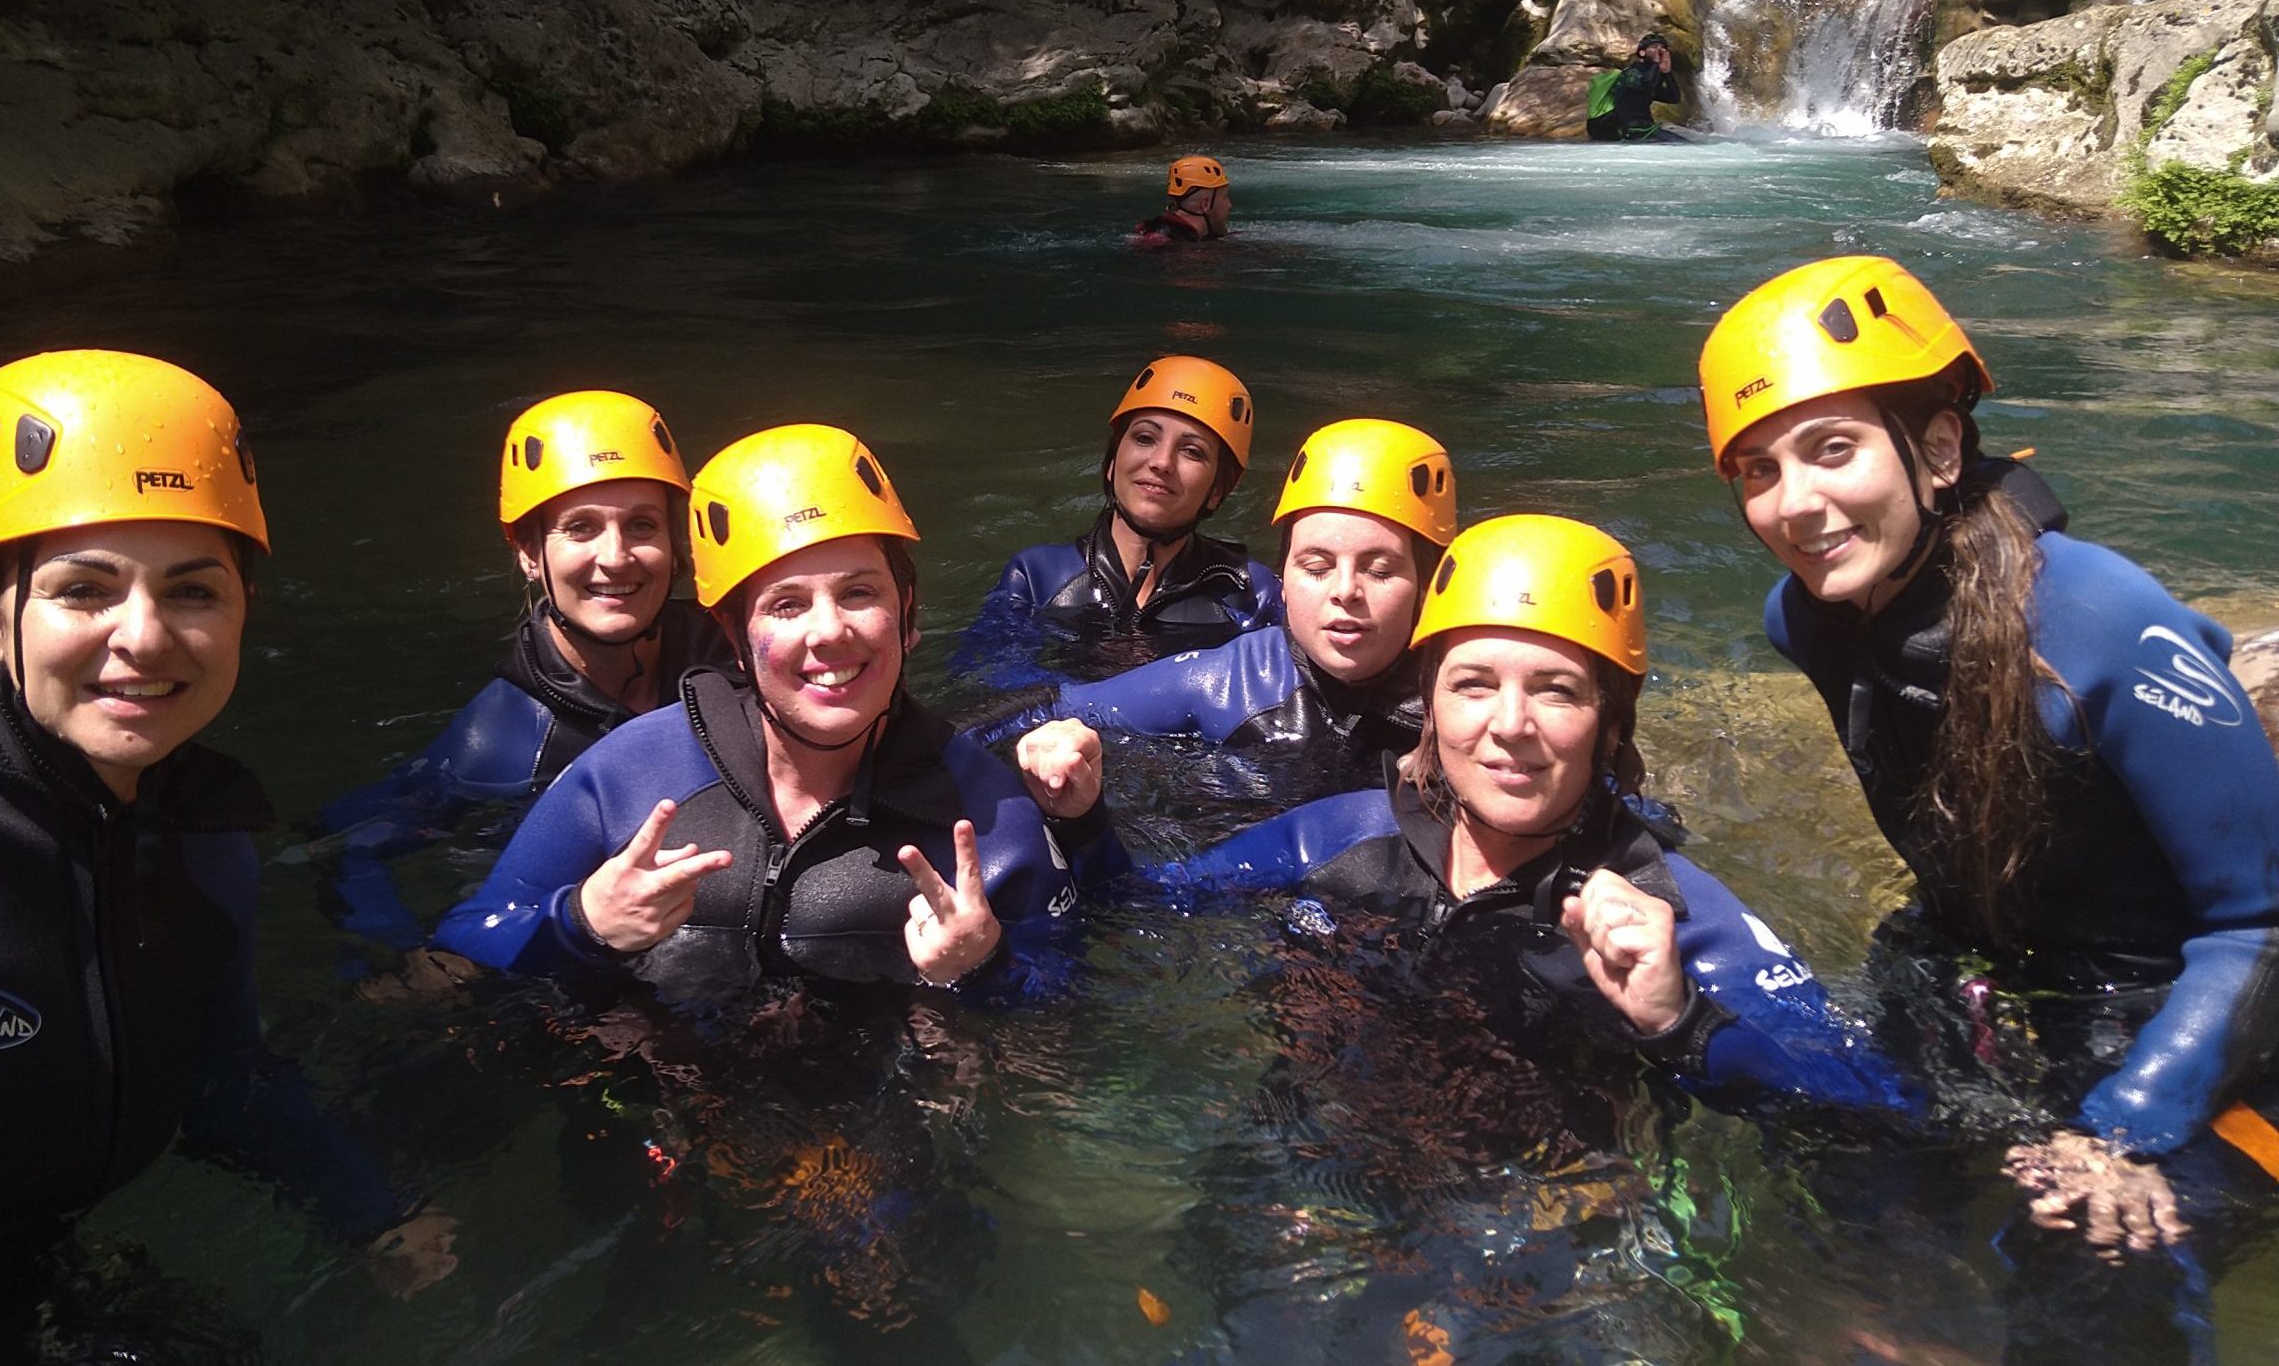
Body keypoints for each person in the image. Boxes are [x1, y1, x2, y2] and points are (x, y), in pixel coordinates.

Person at [0, 351, 450, 1343]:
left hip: (8, 1275)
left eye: (193, 591)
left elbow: (219, 1078)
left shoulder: (202, 847)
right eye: (83, 590)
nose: (143, 636)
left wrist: (369, 1211)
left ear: (244, 609)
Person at [1697, 255, 2279, 1251]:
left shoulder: (2098, 624)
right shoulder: (1806, 620)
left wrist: (2126, 1128)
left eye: (1832, 449)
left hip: (2180, 998)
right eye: (1759, 469)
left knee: (2081, 1256)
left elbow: (2259, 924)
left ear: (1937, 449)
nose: (1793, 502)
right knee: (1841, 1179)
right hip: (1975, 955)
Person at [1160, 513, 1915, 1111]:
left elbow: (1883, 1112)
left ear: (1610, 724)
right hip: (1308, 1167)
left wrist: (1678, 1021)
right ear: (1431, 709)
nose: (1510, 724)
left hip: (1536, 1223)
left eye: (1555, 690)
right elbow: (1143, 902)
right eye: (1474, 685)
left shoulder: (1678, 921)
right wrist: (1093, 816)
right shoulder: (1341, 833)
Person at [431, 424, 1125, 998]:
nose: (829, 632)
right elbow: (466, 940)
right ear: (735, 638)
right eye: (786, 606)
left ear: (908, 615)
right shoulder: (627, 772)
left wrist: (985, 968)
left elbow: (1075, 1010)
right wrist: (581, 922)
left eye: (859, 593)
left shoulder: (990, 818)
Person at [317, 390, 736, 948]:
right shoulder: (503, 744)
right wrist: (403, 954)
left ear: (673, 542)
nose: (616, 557)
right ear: (528, 551)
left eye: (642, 526)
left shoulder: (733, 651)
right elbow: (346, 848)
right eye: (580, 528)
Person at [974, 418, 1458, 807]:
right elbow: (1049, 705)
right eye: (1316, 567)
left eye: (1379, 570)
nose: (1345, 591)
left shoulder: (1476, 700)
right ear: (1285, 581)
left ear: (1431, 585)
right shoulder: (1234, 679)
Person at [955, 355, 1284, 688]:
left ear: (1217, 491)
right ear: (1112, 462)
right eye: (1145, 438)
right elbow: (983, 682)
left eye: (1192, 451)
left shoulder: (1251, 593)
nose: (1161, 462)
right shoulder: (1036, 576)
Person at [1585, 31, 1683, 142]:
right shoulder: (1632, 72)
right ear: (1642, 53)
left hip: (1644, 127)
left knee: (1682, 144)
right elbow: (1646, 84)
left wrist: (1667, 72)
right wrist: (1656, 63)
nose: (1659, 50)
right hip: (1629, 128)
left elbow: (1674, 97)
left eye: (1662, 48)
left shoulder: (1652, 76)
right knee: (1678, 144)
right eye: (1654, 47)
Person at [1133, 153, 1233, 247]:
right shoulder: (1168, 245)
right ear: (1205, 204)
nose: (1229, 205)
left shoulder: (1156, 230)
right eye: (1225, 197)